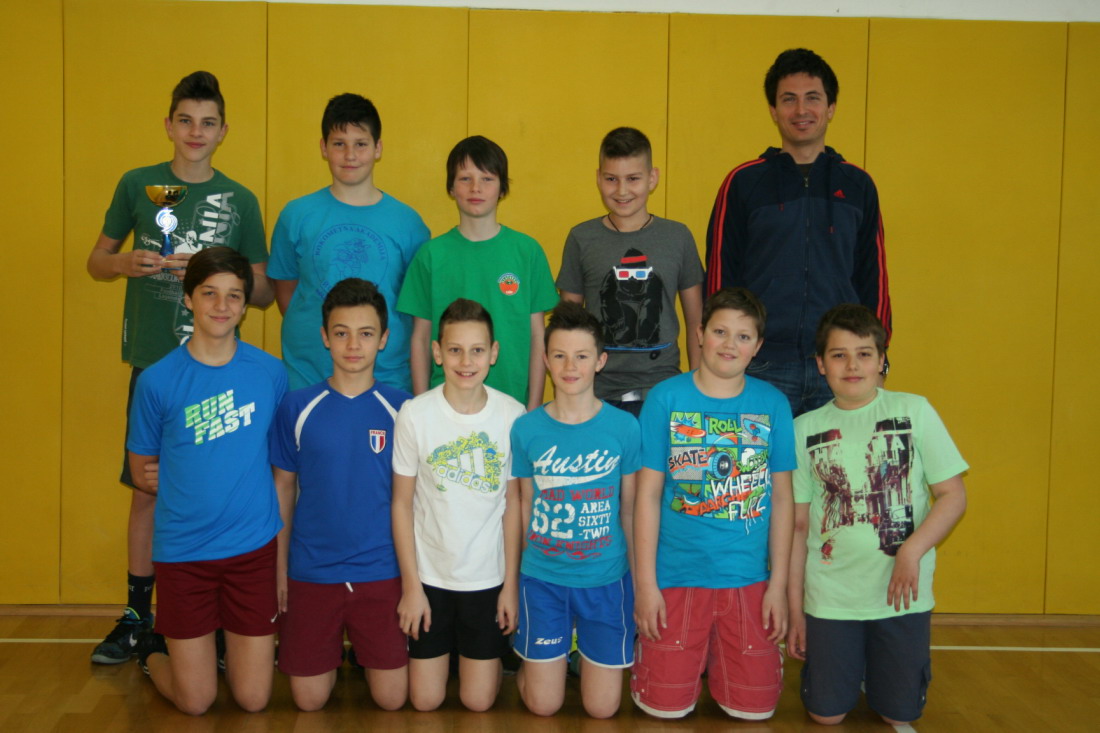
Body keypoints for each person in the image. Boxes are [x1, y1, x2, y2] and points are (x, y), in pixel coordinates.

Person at [86, 70, 272, 665]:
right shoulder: (137, 184)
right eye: (186, 121)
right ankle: (138, 615)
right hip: (156, 364)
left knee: (219, 486)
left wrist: (221, 269)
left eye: (208, 123)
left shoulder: (240, 200)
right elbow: (96, 260)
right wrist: (126, 263)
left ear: (223, 131)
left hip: (222, 369)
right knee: (148, 488)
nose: (196, 132)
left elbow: (264, 291)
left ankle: (211, 619)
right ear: (169, 125)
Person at [787, 304, 967, 726]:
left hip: (900, 596)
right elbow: (797, 527)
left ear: (882, 360)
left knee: (898, 713)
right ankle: (851, 665)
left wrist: (911, 552)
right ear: (821, 364)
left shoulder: (915, 410)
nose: (852, 365)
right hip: (832, 597)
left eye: (864, 354)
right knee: (826, 716)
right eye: (839, 355)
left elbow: (952, 496)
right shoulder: (803, 428)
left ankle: (876, 671)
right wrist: (797, 610)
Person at [127, 247, 287, 715]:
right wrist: (178, 471)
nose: (222, 305)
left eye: (234, 295)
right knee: (196, 702)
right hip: (184, 554)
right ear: (188, 299)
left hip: (251, 551)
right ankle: (151, 653)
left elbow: (281, 462)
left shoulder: (270, 372)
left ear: (245, 304)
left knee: (253, 698)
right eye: (209, 293)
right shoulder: (157, 380)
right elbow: (141, 471)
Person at [632, 287, 795, 720]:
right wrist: (646, 585)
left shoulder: (773, 404)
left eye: (744, 336)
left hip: (749, 580)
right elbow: (647, 496)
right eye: (720, 331)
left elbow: (783, 499)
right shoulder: (666, 398)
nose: (730, 344)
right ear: (700, 333)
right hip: (676, 577)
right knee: (663, 710)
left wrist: (777, 586)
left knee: (755, 711)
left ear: (757, 346)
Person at [704, 48, 890, 417]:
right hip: (761, 365)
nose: (801, 110)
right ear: (773, 110)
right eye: (788, 99)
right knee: (755, 459)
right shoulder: (743, 183)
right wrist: (723, 355)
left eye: (812, 98)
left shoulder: (858, 185)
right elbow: (720, 278)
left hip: (840, 364)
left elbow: (876, 280)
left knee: (842, 458)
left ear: (831, 107)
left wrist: (878, 358)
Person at [269, 278, 412, 711]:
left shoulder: (403, 410)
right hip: (313, 572)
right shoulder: (297, 407)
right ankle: (333, 657)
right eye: (342, 332)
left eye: (366, 333)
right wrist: (280, 568)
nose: (353, 345)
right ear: (324, 337)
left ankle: (359, 655)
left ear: (383, 339)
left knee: (392, 700)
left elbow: (413, 501)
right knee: (309, 702)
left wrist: (413, 578)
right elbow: (283, 489)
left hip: (381, 571)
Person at [391, 298, 524, 712]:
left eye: (477, 350)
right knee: (425, 701)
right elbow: (401, 504)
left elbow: (514, 506)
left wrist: (510, 585)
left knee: (478, 701)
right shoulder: (415, 414)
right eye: (455, 350)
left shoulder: (512, 415)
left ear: (493, 353)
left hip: (487, 580)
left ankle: (482, 664)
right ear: (437, 352)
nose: (466, 361)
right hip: (430, 579)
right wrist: (411, 587)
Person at [510, 301, 641, 718]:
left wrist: (639, 583)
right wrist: (515, 579)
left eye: (582, 356)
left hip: (606, 580)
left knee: (602, 709)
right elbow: (523, 504)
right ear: (545, 360)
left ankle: (573, 660)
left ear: (600, 361)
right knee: (544, 705)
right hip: (543, 580)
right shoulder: (525, 428)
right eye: (560, 356)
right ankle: (535, 668)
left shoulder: (624, 428)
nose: (571, 367)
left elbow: (630, 510)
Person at [268, 93, 429, 392]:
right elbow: (286, 292)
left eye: (361, 144)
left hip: (387, 378)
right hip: (309, 376)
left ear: (378, 148)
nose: (350, 155)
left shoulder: (409, 224)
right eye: (339, 144)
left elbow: (418, 308)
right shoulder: (296, 215)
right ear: (323, 148)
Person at [397, 136, 558, 410]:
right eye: (465, 178)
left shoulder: (527, 252)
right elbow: (421, 338)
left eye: (487, 178)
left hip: (512, 404)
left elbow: (537, 336)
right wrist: (422, 406)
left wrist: (532, 408)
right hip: (444, 405)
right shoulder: (431, 256)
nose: (476, 188)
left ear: (502, 188)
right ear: (451, 187)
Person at [557, 126, 704, 416]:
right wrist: (568, 396)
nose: (622, 191)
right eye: (611, 179)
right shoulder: (581, 238)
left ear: (652, 178)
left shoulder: (678, 237)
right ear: (598, 178)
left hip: (662, 391)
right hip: (595, 394)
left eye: (633, 178)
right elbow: (566, 327)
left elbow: (696, 323)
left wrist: (699, 392)